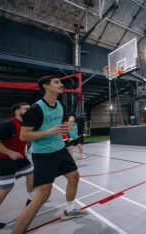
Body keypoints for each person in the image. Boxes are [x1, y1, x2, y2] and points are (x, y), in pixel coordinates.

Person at [12, 75, 88, 234]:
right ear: (46, 86)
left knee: (74, 177)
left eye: (60, 82)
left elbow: (62, 124)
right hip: (43, 154)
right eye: (57, 82)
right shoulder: (36, 109)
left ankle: (69, 210)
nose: (61, 84)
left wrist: (68, 124)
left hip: (60, 149)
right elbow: (24, 136)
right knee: (42, 195)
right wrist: (50, 131)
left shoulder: (59, 105)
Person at [0, 102, 34, 232]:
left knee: (31, 175)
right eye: (26, 109)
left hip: (20, 158)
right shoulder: (8, 124)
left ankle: (30, 200)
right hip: (4, 160)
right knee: (5, 189)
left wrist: (23, 153)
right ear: (16, 111)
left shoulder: (25, 125)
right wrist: (10, 152)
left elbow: (20, 141)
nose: (29, 111)